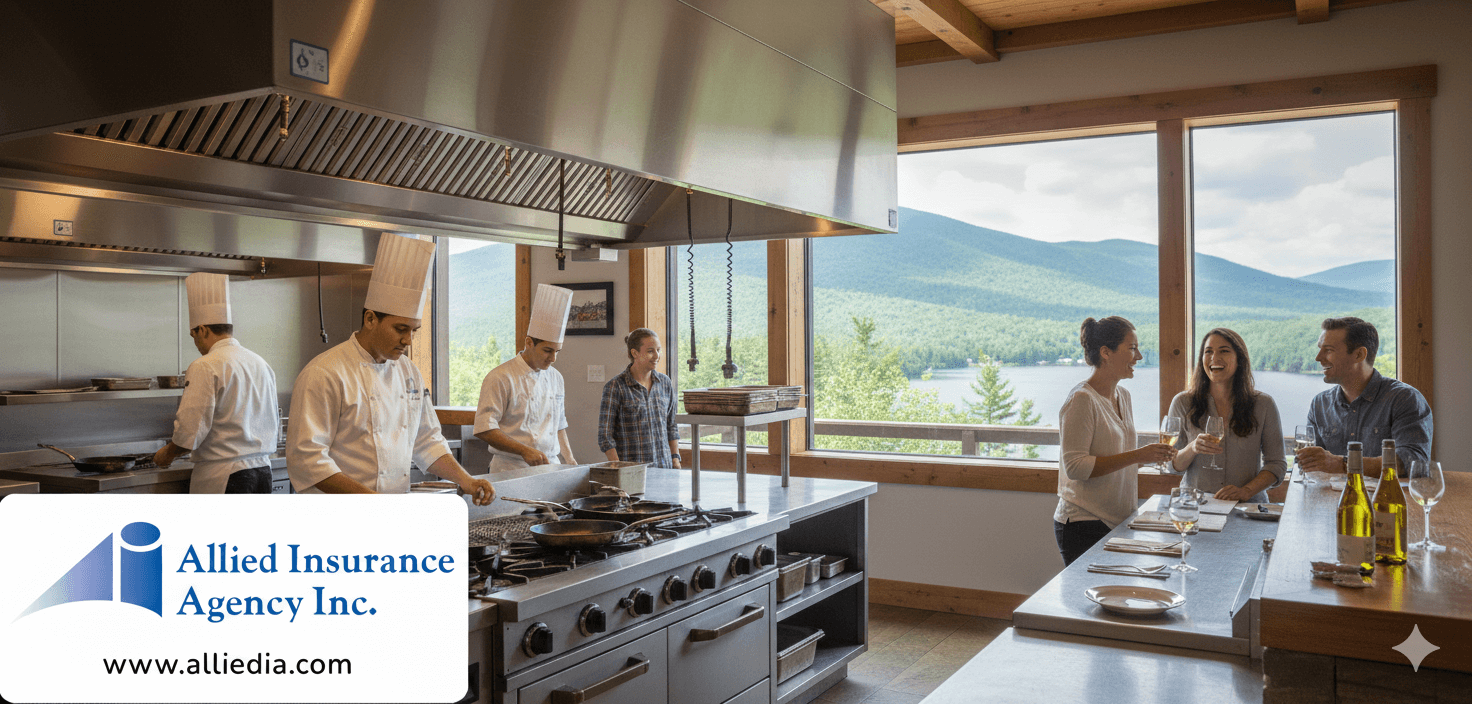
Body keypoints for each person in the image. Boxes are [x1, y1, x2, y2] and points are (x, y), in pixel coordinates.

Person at [286, 233, 494, 503]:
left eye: (413, 331)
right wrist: (373, 503)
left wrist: (466, 480)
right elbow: (307, 459)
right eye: (400, 329)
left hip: (390, 513)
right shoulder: (325, 373)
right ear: (371, 319)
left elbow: (427, 440)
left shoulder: (408, 372)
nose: (408, 340)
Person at [1055, 316, 1176, 566]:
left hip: (1118, 522)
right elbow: (1075, 468)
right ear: (1106, 352)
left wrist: (1148, 457)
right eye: (1132, 348)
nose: (1139, 356)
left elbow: (1118, 458)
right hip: (1083, 524)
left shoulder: (1123, 396)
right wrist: (1138, 455)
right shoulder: (1081, 400)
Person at [153, 273, 280, 493]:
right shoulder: (260, 362)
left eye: (193, 335)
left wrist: (167, 454)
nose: (195, 343)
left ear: (202, 330)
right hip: (263, 472)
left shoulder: (205, 365)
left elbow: (191, 428)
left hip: (226, 475)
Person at [1297, 316, 1432, 475]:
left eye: (1328, 350)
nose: (1318, 358)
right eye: (1320, 349)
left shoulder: (1404, 399)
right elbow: (1311, 466)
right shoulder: (1320, 403)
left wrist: (1342, 464)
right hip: (1332, 499)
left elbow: (1413, 462)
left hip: (1385, 499)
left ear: (1359, 355)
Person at [1166, 328, 1286, 503]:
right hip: (1195, 507)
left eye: (1224, 351)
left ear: (1239, 359)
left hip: (1247, 507)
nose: (1215, 358)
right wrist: (1192, 448)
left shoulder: (1264, 404)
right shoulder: (1182, 402)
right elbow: (1171, 465)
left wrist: (1246, 491)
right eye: (1208, 352)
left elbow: (1277, 464)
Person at [474, 284, 578, 472]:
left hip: (550, 467)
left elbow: (559, 424)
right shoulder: (500, 377)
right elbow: (485, 428)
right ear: (529, 343)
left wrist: (570, 461)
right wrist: (524, 451)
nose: (553, 359)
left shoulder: (556, 378)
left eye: (557, 351)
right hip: (510, 468)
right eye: (547, 350)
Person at [597, 328, 681, 468]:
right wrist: (618, 466)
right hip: (632, 472)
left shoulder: (665, 383)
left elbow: (671, 426)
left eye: (658, 350)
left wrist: (675, 459)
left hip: (665, 469)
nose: (657, 356)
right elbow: (605, 436)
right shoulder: (615, 387)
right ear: (634, 353)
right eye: (650, 351)